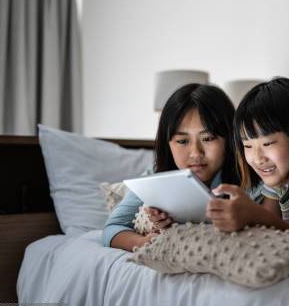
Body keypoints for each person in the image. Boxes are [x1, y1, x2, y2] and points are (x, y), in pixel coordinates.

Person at [102, 83, 240, 251]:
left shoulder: (247, 174)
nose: (196, 153)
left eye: (208, 138)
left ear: (229, 138)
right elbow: (112, 228)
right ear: (168, 145)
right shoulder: (156, 175)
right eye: (182, 141)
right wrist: (143, 242)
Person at [206, 77, 289, 239]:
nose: (257, 158)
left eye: (268, 143)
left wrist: (257, 215)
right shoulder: (277, 177)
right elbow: (268, 231)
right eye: (247, 146)